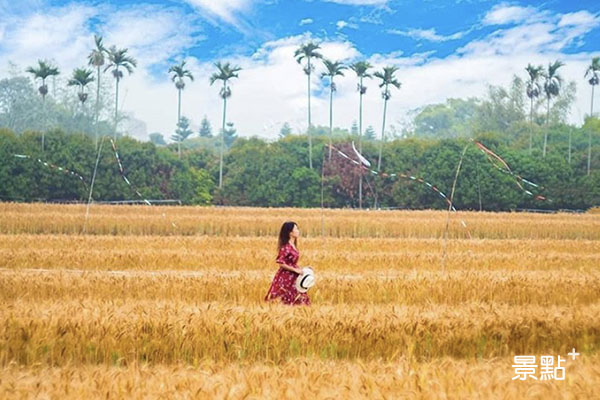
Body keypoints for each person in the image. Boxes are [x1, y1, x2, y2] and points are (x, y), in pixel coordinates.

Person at [264, 221, 311, 306]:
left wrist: (304, 269)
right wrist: (295, 270)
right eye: (296, 229)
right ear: (290, 232)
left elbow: (291, 263)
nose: (298, 231)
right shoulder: (286, 247)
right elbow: (281, 263)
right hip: (286, 278)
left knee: (298, 299)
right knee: (285, 299)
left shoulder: (293, 245)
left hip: (293, 276)